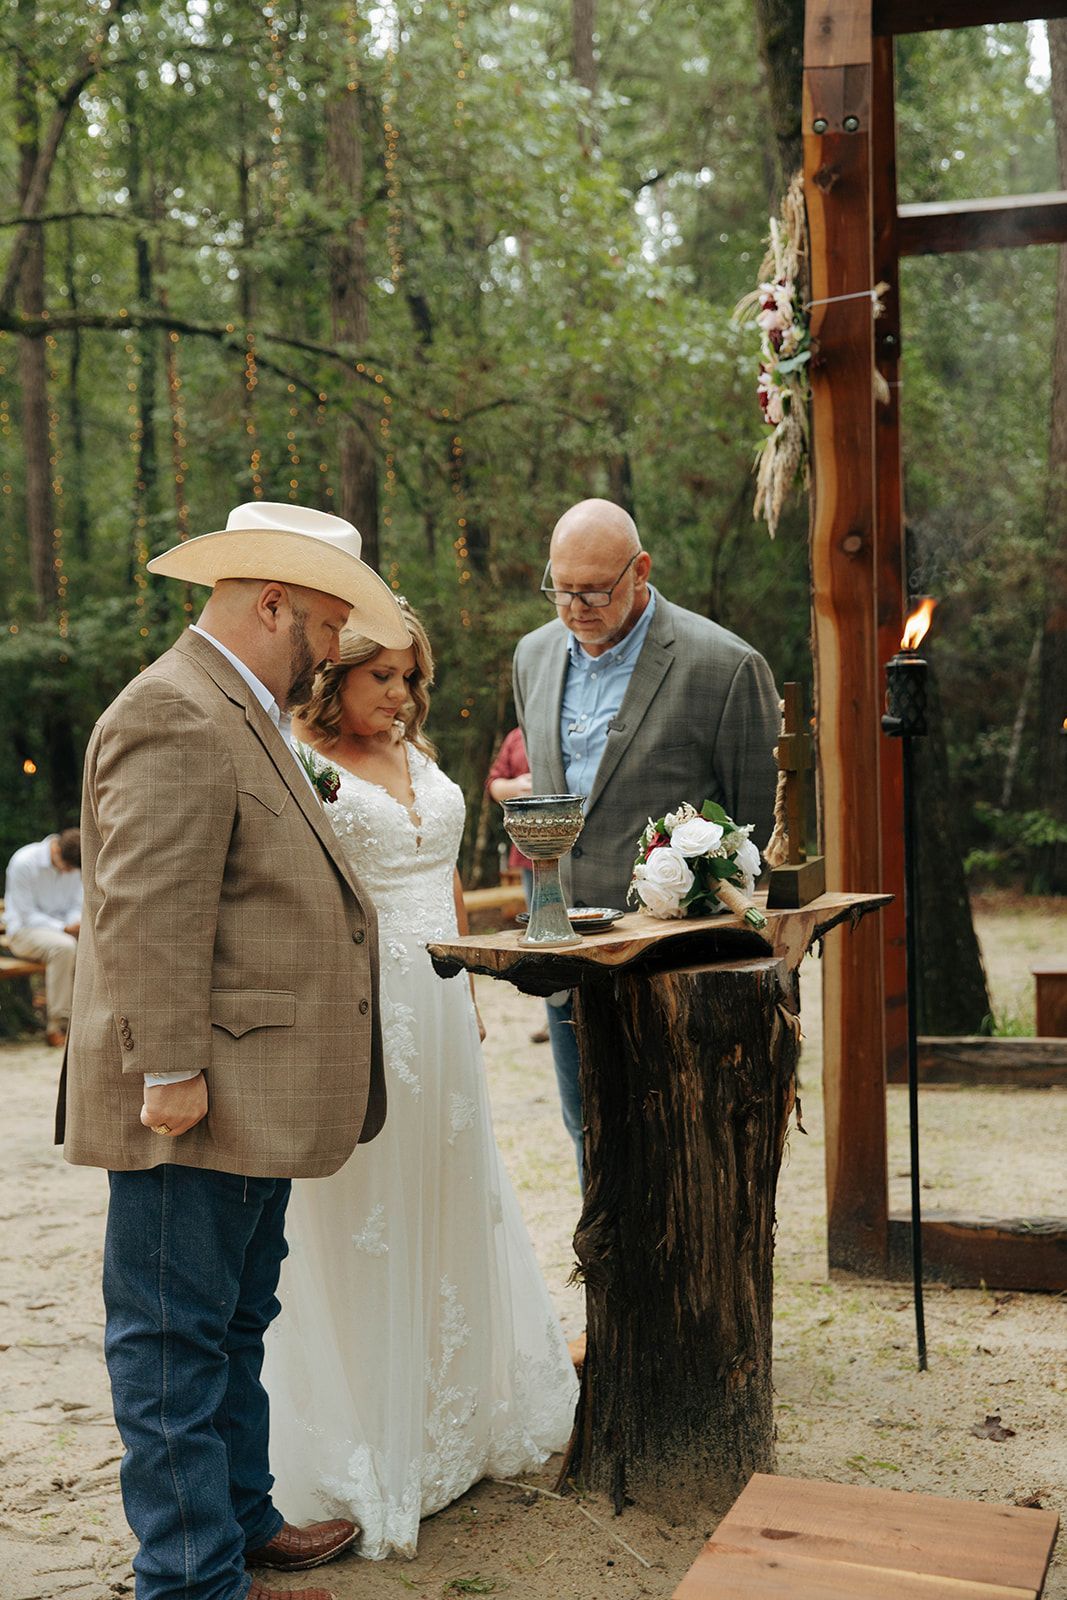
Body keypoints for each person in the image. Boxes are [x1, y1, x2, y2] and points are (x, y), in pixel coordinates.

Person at [57, 501, 411, 1600]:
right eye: (326, 624)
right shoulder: (172, 710)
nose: (333, 649)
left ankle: (240, 1515)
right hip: (192, 1097)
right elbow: (146, 911)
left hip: (247, 1093)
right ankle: (190, 1577)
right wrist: (168, 1072)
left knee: (234, 1321)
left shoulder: (235, 707)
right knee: (171, 1340)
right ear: (271, 604)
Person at [262, 603, 578, 1560]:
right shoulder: (299, 760)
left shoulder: (417, 755)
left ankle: (459, 1419)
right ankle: (375, 1429)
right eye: (381, 677)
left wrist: (470, 987)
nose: (400, 696)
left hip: (440, 1005)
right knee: (369, 1206)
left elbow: (443, 880)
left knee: (448, 1193)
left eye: (410, 678)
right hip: (359, 1010)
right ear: (334, 675)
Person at [513, 498, 780, 1186]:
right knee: (592, 1148)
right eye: (561, 589)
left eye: (594, 591)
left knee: (688, 1159)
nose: (575, 607)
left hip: (680, 975)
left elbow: (757, 835)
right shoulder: (532, 657)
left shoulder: (724, 666)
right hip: (568, 963)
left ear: (641, 571)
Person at [485, 729, 550, 1045]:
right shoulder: (515, 737)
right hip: (529, 853)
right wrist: (515, 787)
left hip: (575, 851)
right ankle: (551, 1012)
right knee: (541, 933)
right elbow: (493, 784)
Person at [4, 827, 82, 1046]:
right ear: (56, 850)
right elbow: (26, 914)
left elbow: (77, 904)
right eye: (66, 867)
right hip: (23, 932)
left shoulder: (75, 863)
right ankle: (58, 1024)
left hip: (62, 932)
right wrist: (63, 927)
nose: (68, 872)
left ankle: (82, 1020)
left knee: (90, 945)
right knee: (64, 948)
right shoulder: (24, 862)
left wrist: (74, 922)